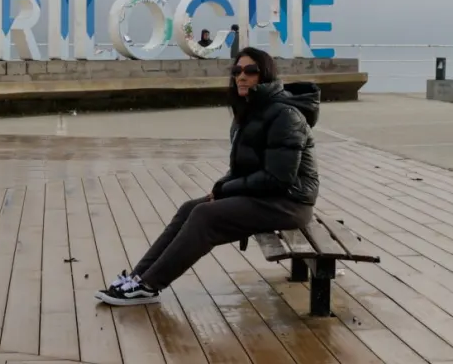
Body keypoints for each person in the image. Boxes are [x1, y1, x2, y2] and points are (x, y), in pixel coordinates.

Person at [95, 46, 319, 306]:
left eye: (250, 71)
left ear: (265, 75)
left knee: (205, 216)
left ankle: (150, 285)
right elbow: (244, 168)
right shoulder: (248, 112)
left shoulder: (284, 116)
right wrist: (222, 187)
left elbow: (280, 179)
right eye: (237, 71)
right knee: (190, 208)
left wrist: (226, 190)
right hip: (267, 197)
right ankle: (137, 278)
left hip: (290, 203)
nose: (241, 77)